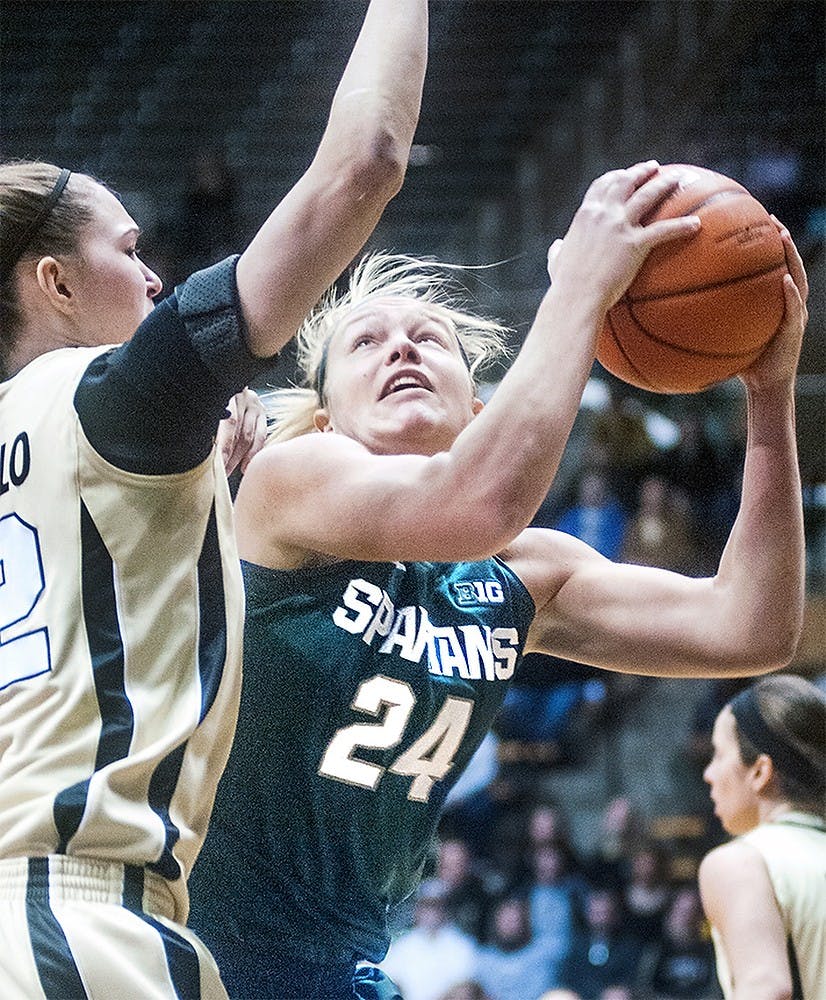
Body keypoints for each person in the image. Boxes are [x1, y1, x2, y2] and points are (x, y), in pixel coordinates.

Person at [190, 164, 807, 998]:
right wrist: (580, 294)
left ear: (481, 413)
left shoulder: (521, 575)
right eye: (366, 342)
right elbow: (478, 500)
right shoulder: (288, 484)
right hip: (192, 949)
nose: (402, 346)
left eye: (430, 339)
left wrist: (768, 398)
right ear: (327, 414)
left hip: (341, 965)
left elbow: (751, 629)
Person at [0, 2, 428, 997]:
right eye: (129, 247)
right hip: (79, 924)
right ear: (56, 282)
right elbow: (361, 163)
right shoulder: (113, 394)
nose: (152, 274)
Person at [697, 674, 826, 1000]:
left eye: (718, 754)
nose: (708, 774)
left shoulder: (741, 863)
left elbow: (766, 987)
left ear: (760, 772)